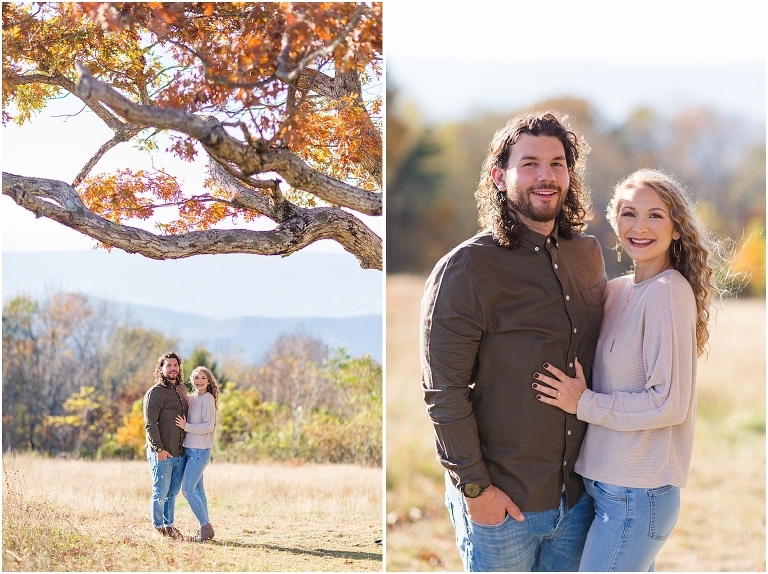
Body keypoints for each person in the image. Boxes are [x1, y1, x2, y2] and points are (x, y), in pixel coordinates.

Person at [420, 111, 607, 571]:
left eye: (558, 163)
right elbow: (443, 393)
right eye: (530, 164)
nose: (547, 176)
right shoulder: (467, 269)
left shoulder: (588, 256)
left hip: (580, 502)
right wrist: (477, 493)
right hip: (504, 509)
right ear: (499, 177)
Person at [532, 169, 719, 571]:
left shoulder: (669, 293)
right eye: (629, 213)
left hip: (638, 495)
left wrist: (585, 403)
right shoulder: (617, 290)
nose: (640, 227)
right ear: (615, 221)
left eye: (655, 216)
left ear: (675, 229)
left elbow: (668, 403)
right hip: (602, 489)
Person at [144, 351, 189, 538]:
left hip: (180, 452)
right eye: (168, 365)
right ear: (160, 368)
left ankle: (169, 527)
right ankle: (157, 528)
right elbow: (150, 424)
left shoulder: (181, 389)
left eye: (175, 365)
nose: (172, 369)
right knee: (160, 492)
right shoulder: (155, 393)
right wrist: (159, 450)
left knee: (172, 494)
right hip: (162, 453)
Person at [174, 366, 219, 543]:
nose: (199, 381)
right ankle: (207, 528)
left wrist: (187, 427)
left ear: (209, 381)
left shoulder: (207, 398)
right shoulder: (193, 399)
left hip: (199, 453)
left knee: (187, 491)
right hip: (190, 451)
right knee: (199, 492)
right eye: (196, 378)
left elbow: (209, 426)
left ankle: (205, 527)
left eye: (203, 378)